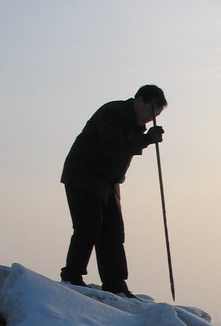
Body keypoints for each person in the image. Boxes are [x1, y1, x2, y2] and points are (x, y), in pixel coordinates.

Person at [60, 84, 167, 297]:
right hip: (84, 175)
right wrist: (147, 139)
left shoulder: (134, 124)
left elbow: (124, 148)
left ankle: (115, 283)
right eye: (150, 111)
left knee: (114, 231)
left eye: (155, 115)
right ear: (138, 100)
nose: (150, 118)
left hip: (108, 182)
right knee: (89, 226)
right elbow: (114, 148)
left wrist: (145, 137)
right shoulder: (113, 112)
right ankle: (71, 275)